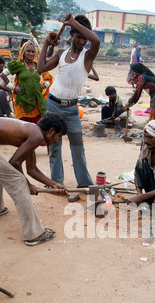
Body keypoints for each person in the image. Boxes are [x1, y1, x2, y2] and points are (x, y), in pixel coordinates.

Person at [0, 113, 68, 245]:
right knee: (18, 181)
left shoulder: (32, 132)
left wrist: (53, 184)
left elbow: (31, 169)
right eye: (59, 136)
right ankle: (34, 234)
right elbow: (15, 163)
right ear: (51, 130)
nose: (57, 141)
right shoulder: (37, 136)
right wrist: (28, 185)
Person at [37, 12, 100, 187]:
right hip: (53, 104)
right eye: (79, 37)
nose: (82, 41)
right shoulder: (61, 53)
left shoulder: (87, 57)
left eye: (84, 38)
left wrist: (73, 22)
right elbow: (40, 68)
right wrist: (45, 43)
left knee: (78, 147)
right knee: (54, 146)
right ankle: (56, 182)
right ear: (71, 34)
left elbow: (96, 41)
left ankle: (84, 184)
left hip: (72, 109)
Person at [1, 41, 53, 123]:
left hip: (37, 102)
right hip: (22, 102)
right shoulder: (18, 65)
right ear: (23, 52)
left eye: (33, 52)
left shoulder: (38, 65)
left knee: (36, 128)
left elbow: (49, 79)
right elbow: (3, 75)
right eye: (28, 51)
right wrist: (14, 87)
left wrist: (43, 86)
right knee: (22, 127)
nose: (31, 54)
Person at [123, 63, 155, 133]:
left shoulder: (141, 77)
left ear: (135, 71)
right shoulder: (146, 76)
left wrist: (128, 104)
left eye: (131, 71)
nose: (130, 73)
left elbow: (137, 94)